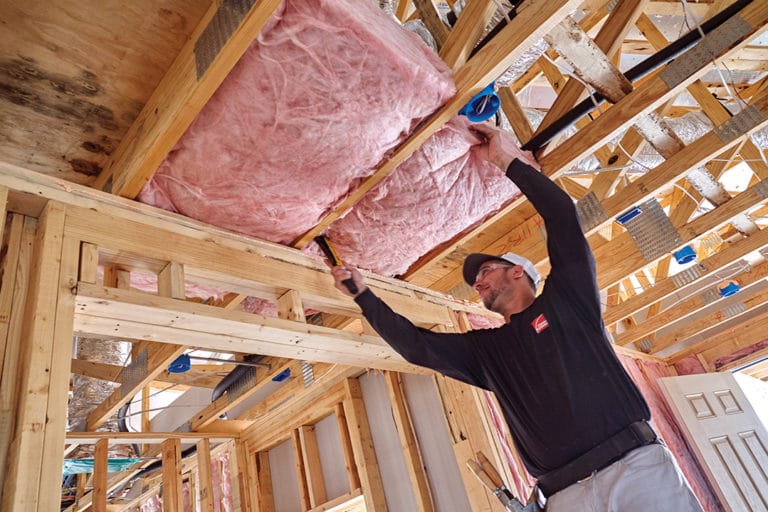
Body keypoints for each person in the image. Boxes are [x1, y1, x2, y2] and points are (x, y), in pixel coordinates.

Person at [331, 123, 702, 511]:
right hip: (565, 495)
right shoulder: (486, 352)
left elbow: (562, 217)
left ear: (518, 271)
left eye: (484, 272)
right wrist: (363, 296)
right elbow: (416, 346)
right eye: (475, 283)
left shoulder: (567, 301)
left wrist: (507, 161)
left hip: (635, 470)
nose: (477, 285)